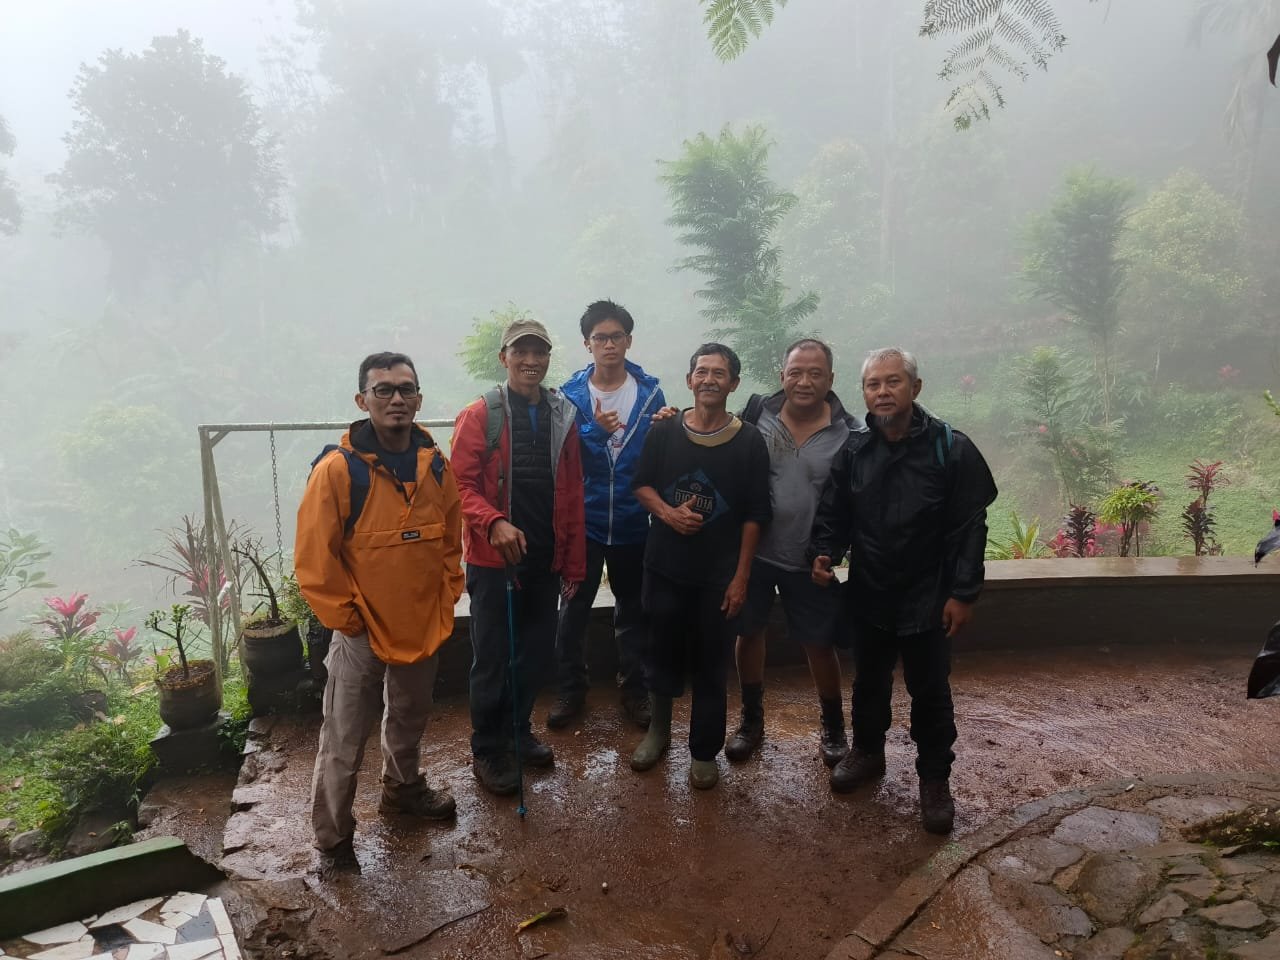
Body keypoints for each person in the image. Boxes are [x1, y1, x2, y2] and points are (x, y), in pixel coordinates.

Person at [810, 347, 996, 834]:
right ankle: (867, 752)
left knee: (930, 692)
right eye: (874, 384)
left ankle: (934, 780)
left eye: (893, 382)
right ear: (864, 392)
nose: (883, 392)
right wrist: (825, 551)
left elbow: (969, 528)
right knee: (869, 684)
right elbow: (835, 513)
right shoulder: (855, 450)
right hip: (871, 590)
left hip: (929, 596)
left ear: (915, 388)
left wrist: (963, 593)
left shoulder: (951, 449)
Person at [296, 351, 464, 876]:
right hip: (361, 629)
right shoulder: (338, 472)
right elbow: (314, 560)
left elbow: (449, 541)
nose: (396, 398)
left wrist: (446, 594)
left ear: (419, 398)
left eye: (406, 389)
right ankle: (333, 839)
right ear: (362, 400)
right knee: (344, 736)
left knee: (410, 716)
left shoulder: (434, 464)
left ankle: (403, 791)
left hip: (421, 620)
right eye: (384, 389)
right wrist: (349, 619)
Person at [451, 317, 586, 796]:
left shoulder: (561, 413)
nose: (531, 361)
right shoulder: (480, 415)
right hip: (494, 561)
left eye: (539, 353)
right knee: (492, 657)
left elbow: (571, 491)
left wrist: (573, 560)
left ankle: (517, 729)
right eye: (521, 352)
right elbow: (459, 486)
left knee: (532, 655)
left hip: (543, 557)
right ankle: (488, 749)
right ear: (504, 357)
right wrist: (493, 522)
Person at [630, 343, 771, 789]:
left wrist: (742, 577)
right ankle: (658, 732)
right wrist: (668, 514)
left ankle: (703, 750)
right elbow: (642, 486)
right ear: (689, 379)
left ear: (734, 383)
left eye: (719, 373)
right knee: (661, 649)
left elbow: (754, 514)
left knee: (712, 662)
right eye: (701, 371)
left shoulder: (749, 441)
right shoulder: (665, 431)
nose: (709, 379)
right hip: (665, 567)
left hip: (719, 575)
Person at [726, 338, 862, 768]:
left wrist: (832, 552)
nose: (804, 381)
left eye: (815, 373)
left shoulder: (851, 434)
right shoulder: (754, 415)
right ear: (782, 374)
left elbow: (849, 506)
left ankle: (834, 724)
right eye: (796, 372)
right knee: (749, 634)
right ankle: (751, 719)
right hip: (755, 554)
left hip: (810, 560)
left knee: (819, 644)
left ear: (831, 379)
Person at [550, 300, 667, 730]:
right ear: (587, 344)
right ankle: (570, 690)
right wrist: (594, 430)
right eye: (600, 337)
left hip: (635, 519)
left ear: (628, 341)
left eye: (617, 336)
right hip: (586, 520)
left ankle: (634, 690)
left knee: (633, 609)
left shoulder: (651, 392)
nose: (609, 344)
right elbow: (563, 454)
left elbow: (660, 453)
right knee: (573, 608)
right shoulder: (570, 395)